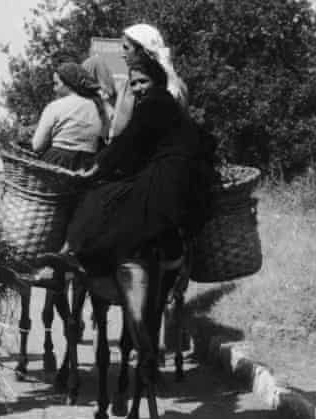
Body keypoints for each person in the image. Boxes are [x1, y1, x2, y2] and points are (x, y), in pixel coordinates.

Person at [64, 51, 215, 275]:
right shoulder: (165, 103)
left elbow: (127, 141)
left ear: (157, 81)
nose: (137, 88)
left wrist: (97, 167)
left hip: (168, 179)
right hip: (182, 176)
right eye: (133, 84)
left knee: (102, 199)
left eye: (143, 81)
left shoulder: (153, 102)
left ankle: (83, 257)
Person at [109, 23, 189, 141]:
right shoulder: (176, 83)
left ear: (141, 50)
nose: (123, 55)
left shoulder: (168, 86)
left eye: (126, 48)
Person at [30, 62, 108, 171]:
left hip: (58, 163)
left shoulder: (55, 106)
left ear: (67, 82)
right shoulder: (98, 106)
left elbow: (37, 146)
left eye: (56, 84)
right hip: (87, 166)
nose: (54, 89)